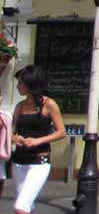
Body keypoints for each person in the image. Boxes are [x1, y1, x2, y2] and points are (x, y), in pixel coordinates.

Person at [10, 66, 65, 214]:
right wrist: (16, 138)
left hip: (39, 162)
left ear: (30, 84)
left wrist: (38, 140)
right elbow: (12, 132)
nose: (17, 86)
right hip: (19, 162)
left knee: (21, 207)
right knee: (28, 206)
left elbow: (61, 132)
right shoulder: (19, 106)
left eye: (20, 83)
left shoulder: (49, 105)